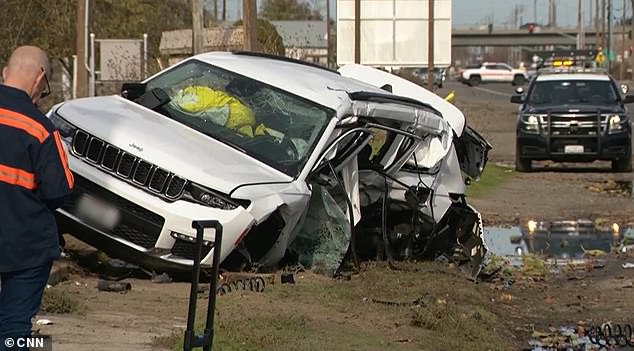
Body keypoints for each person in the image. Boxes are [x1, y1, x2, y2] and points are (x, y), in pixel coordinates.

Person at [0, 46, 74, 350]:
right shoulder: (40, 129)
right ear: (40, 78)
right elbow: (60, 190)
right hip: (25, 247)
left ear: (5, 73)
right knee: (14, 327)